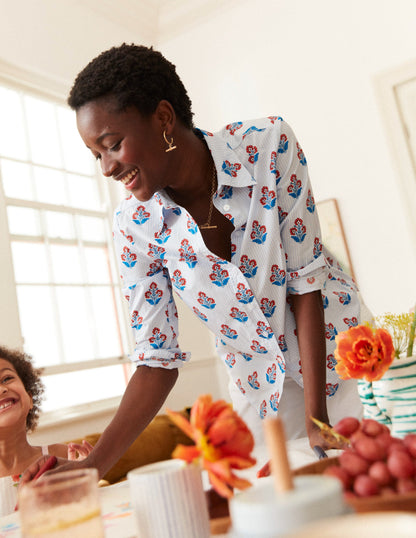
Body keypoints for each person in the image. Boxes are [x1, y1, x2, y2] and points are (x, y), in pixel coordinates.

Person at [22, 43, 362, 482]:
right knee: (277, 507)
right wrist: (92, 466)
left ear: (163, 118)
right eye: (96, 155)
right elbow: (156, 357)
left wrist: (319, 422)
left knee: (373, 488)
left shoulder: (268, 144)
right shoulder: (134, 226)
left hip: (340, 354)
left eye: (112, 145)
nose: (106, 167)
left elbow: (305, 281)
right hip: (259, 390)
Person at [0, 345, 92, 515]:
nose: (2, 389)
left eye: (6, 379)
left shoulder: (60, 456)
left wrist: (85, 476)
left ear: (30, 398)